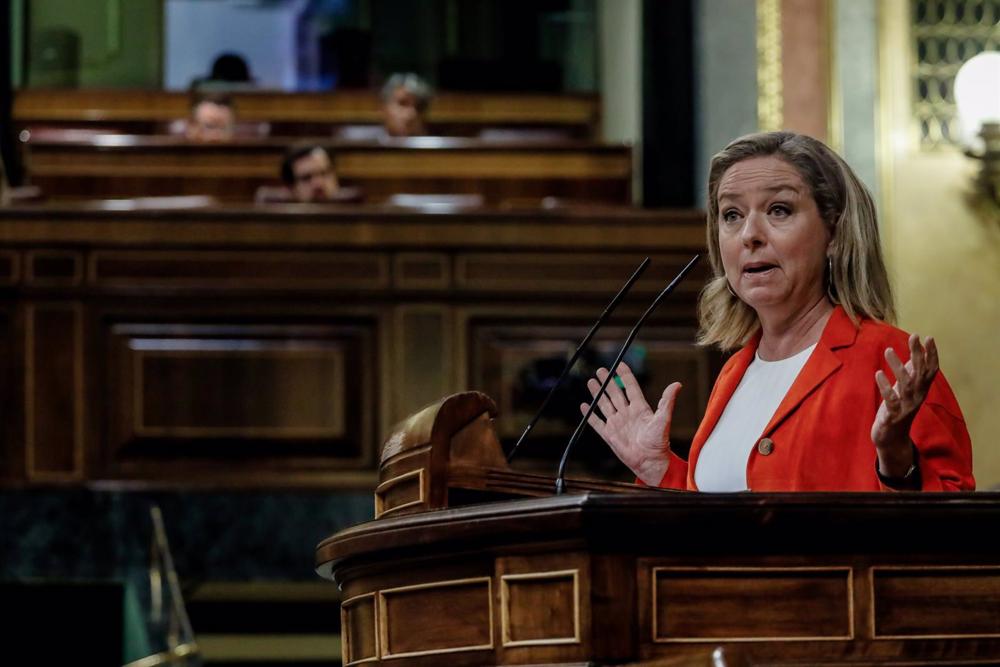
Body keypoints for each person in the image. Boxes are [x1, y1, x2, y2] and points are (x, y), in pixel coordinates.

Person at [583, 131, 974, 492]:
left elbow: (956, 537)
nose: (750, 235)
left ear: (835, 234)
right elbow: (715, 531)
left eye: (779, 210)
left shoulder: (891, 360)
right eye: (731, 215)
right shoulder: (734, 373)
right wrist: (661, 472)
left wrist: (896, 459)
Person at [380, 72, 432, 137]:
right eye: (402, 103)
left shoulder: (433, 145)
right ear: (384, 107)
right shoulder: (367, 143)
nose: (411, 114)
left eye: (419, 107)